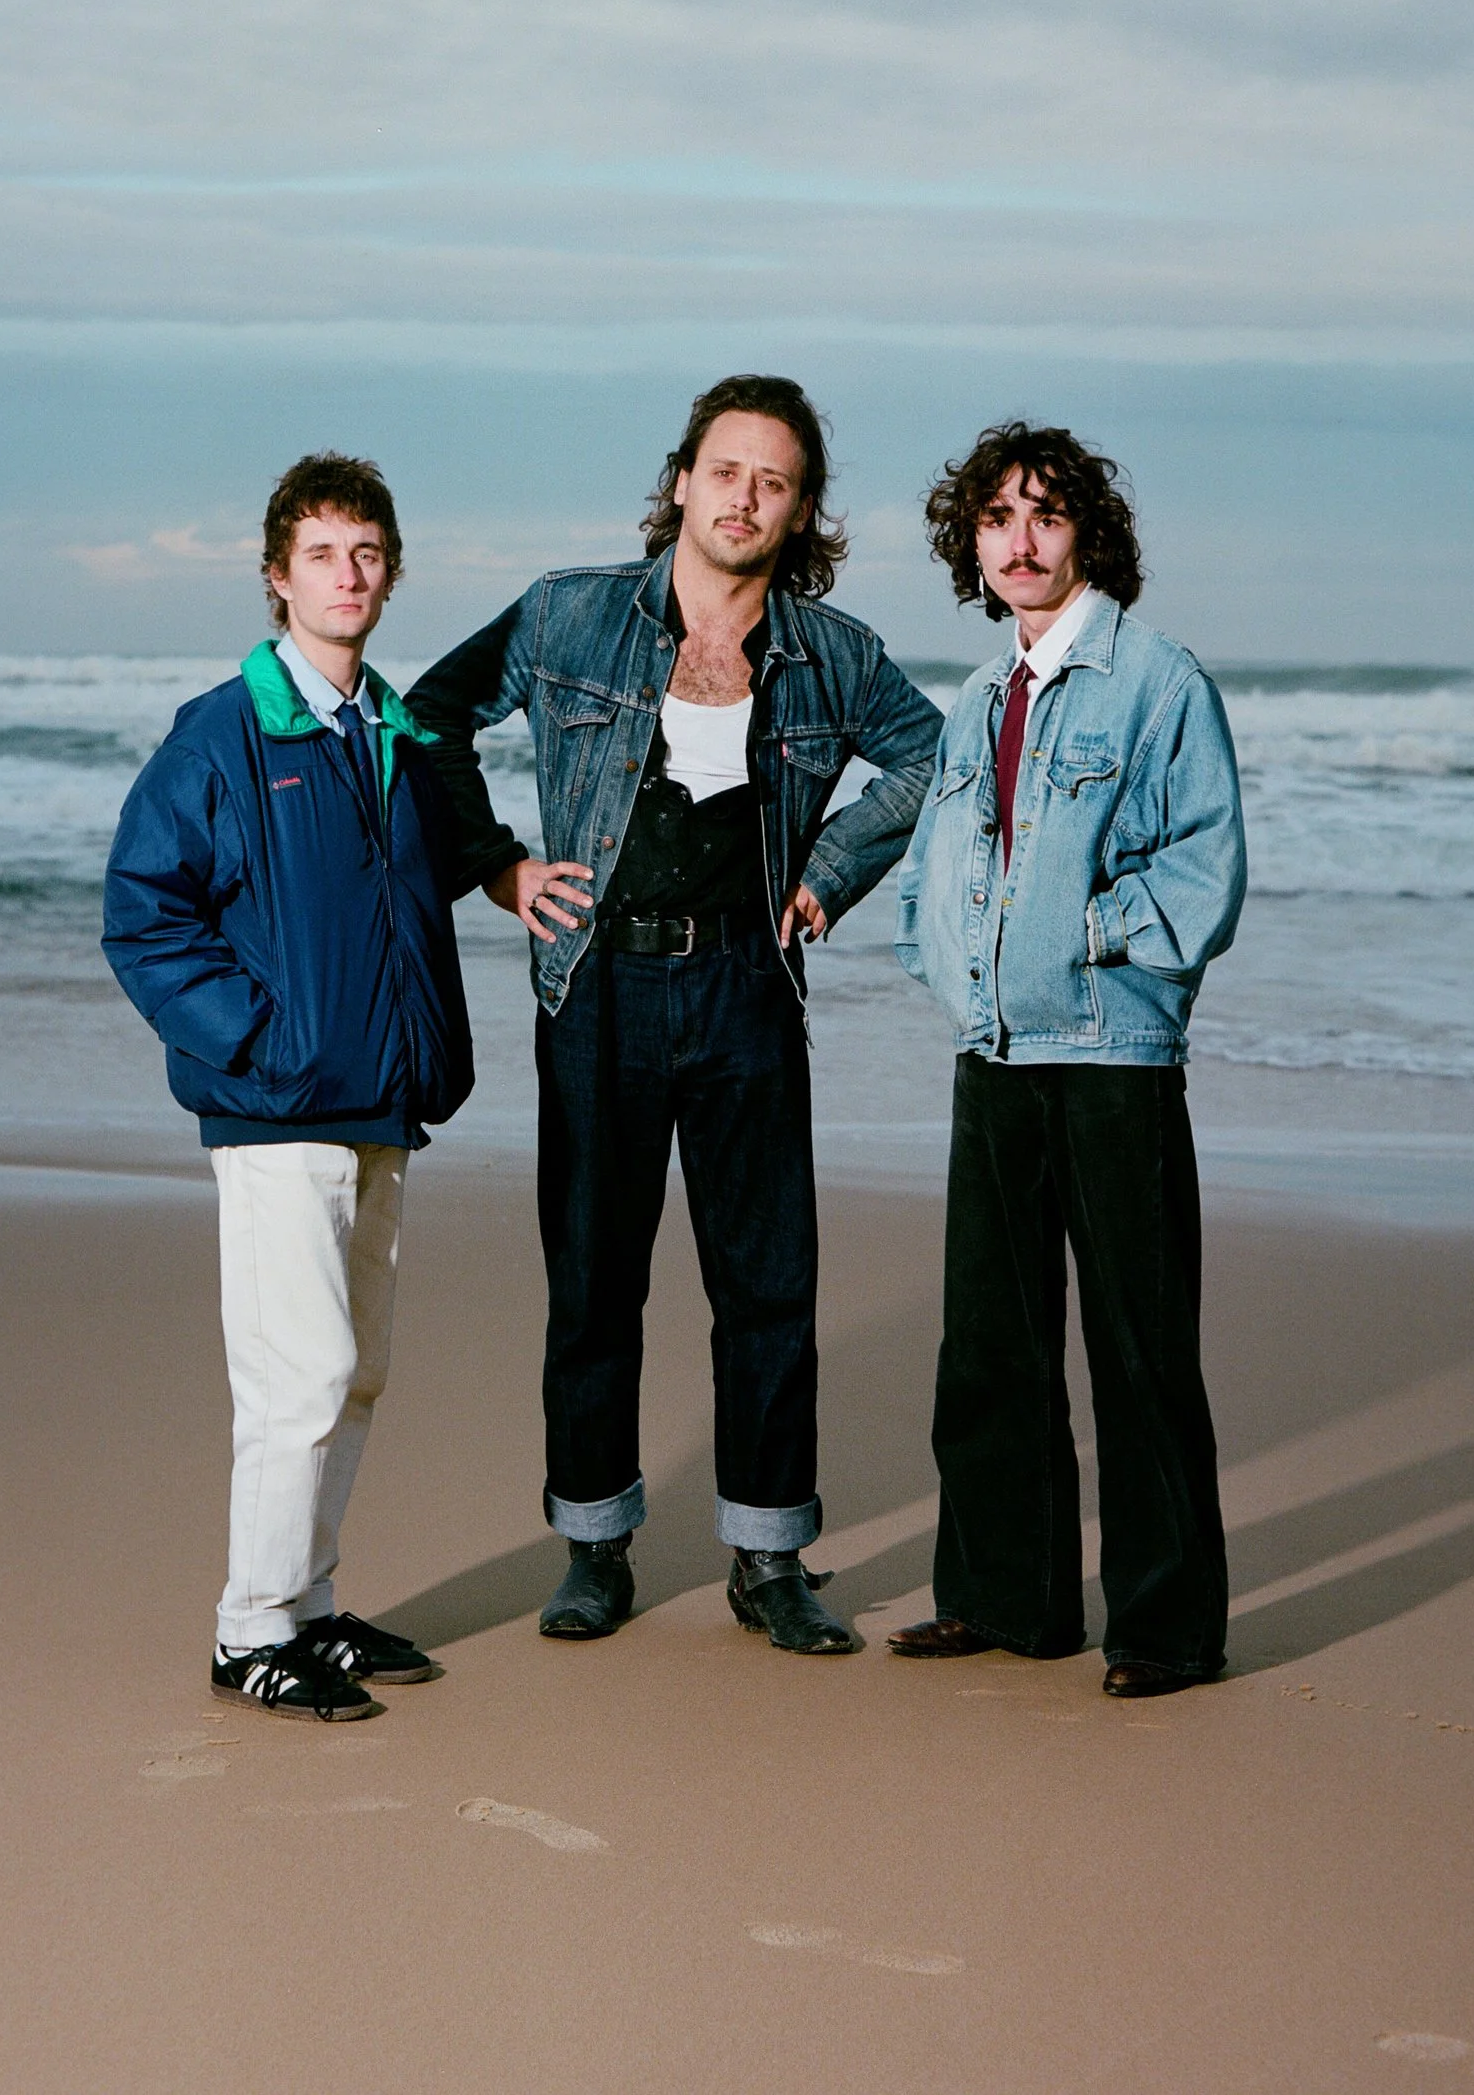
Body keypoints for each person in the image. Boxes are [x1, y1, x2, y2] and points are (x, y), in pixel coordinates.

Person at [409, 376, 942, 1653]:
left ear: (799, 506)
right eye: (726, 471)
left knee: (766, 1284)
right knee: (594, 1281)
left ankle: (769, 1562)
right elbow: (428, 715)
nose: (745, 497)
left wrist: (829, 875)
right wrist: (498, 867)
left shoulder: (837, 653)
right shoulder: (569, 615)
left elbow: (932, 756)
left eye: (774, 480)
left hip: (748, 991)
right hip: (598, 984)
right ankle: (595, 1549)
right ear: (684, 481)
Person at [103, 455, 474, 1722]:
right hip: (277, 1107)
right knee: (295, 1378)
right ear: (277, 578)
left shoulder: (391, 732)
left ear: (391, 573)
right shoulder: (226, 732)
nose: (349, 575)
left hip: (379, 1100)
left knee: (355, 1371)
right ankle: (247, 1630)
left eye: (368, 553)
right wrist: (259, 1039)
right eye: (323, 554)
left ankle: (310, 1604)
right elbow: (143, 913)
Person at [887, 421, 1245, 1697]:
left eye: (1042, 515)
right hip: (991, 1047)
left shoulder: (1157, 681)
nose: (1019, 541)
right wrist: (938, 949)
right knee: (989, 1343)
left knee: (1140, 1347)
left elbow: (1202, 873)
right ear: (971, 547)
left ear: (1087, 531)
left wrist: (1084, 936)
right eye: (995, 520)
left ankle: (1165, 1629)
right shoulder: (981, 696)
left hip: (1109, 1049)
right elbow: (944, 864)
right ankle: (1006, 1599)